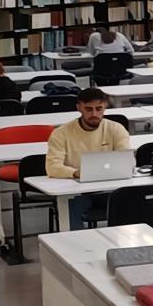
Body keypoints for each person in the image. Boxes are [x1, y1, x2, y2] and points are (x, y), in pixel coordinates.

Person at [44, 89, 133, 229]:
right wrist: (76, 172)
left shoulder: (116, 129)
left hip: (110, 189)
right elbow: (52, 167)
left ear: (105, 107)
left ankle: (124, 245)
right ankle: (78, 248)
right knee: (69, 209)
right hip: (77, 192)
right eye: (88, 109)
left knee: (132, 202)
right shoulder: (61, 133)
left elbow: (128, 161)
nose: (94, 114)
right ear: (79, 107)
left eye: (99, 109)